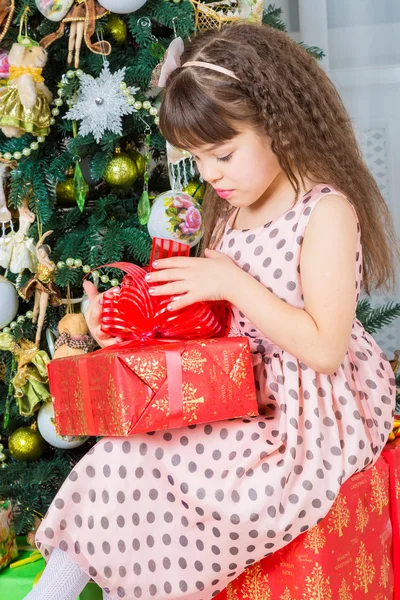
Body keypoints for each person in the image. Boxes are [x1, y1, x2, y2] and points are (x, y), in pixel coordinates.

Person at [26, 22, 398, 600]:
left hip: (303, 415)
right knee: (121, 451)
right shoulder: (228, 210)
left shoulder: (324, 212)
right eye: (197, 159)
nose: (209, 175)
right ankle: (51, 592)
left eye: (222, 153)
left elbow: (325, 349)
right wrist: (120, 329)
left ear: (278, 125)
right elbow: (204, 325)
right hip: (233, 388)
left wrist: (232, 282)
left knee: (150, 466)